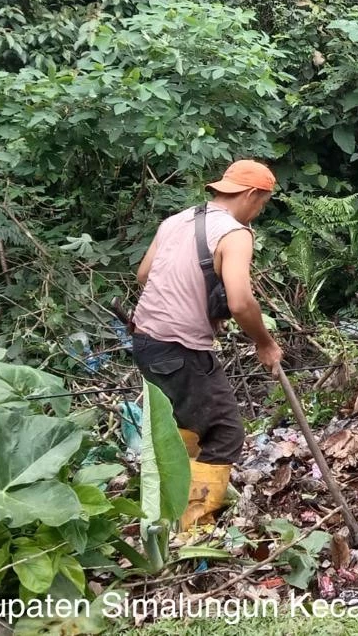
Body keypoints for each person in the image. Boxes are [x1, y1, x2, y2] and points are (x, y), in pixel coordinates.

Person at [131, 160, 283, 533]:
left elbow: (144, 275)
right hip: (180, 348)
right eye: (261, 203)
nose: (258, 212)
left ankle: (166, 507)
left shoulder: (177, 220)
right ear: (251, 195)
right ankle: (193, 527)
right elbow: (241, 303)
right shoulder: (235, 233)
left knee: (181, 426)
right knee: (224, 431)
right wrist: (265, 343)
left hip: (146, 340)